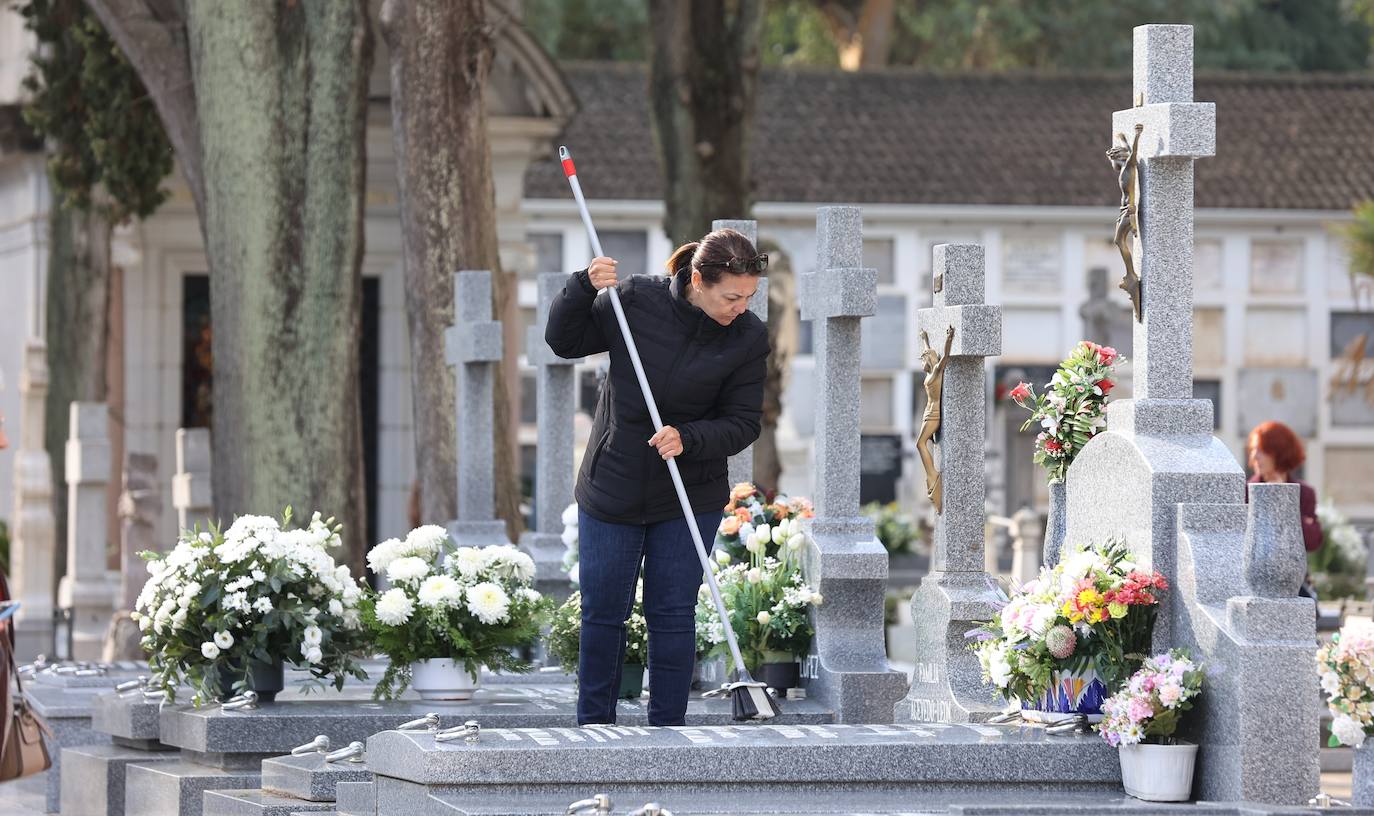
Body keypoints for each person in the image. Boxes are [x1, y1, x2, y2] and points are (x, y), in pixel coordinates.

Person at [545, 228, 770, 726]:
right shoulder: (634, 301)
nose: (740, 307)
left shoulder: (749, 336)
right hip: (613, 486)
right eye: (731, 296)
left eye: (749, 296)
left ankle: (668, 732)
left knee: (672, 615)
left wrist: (688, 437)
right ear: (697, 279)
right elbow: (563, 341)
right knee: (603, 613)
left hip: (688, 492)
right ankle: (594, 727)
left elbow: (743, 421)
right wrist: (582, 286)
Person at [1246, 420, 1323, 597]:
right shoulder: (1245, 492)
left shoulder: (1305, 493)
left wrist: (1283, 502)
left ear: (1279, 452)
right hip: (1253, 585)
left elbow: (1313, 542)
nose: (1254, 457)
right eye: (1253, 450)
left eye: (1261, 450)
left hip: (1292, 585)